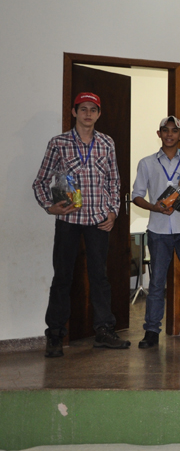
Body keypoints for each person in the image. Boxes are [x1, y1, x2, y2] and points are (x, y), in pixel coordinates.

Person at [32, 91, 129, 357]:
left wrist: (113, 211)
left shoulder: (106, 142)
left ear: (99, 114)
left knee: (100, 277)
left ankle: (104, 331)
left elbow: (114, 180)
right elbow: (41, 181)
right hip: (68, 221)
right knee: (62, 277)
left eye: (93, 109)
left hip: (98, 220)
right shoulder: (58, 143)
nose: (88, 114)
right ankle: (55, 335)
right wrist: (49, 206)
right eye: (83, 109)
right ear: (74, 112)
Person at [131, 116, 180, 349]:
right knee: (157, 283)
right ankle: (152, 331)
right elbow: (137, 196)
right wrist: (154, 207)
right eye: (165, 130)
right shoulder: (146, 163)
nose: (170, 134)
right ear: (159, 134)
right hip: (158, 230)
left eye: (174, 131)